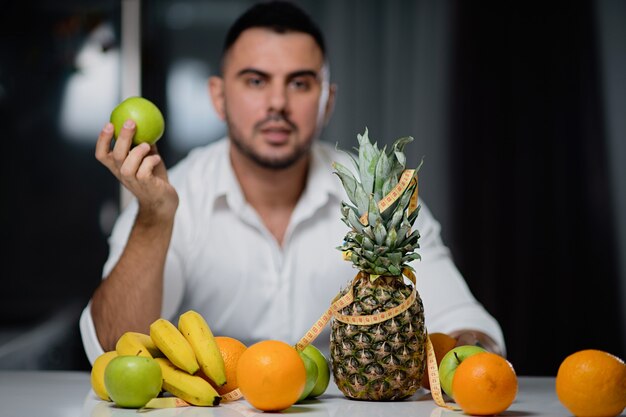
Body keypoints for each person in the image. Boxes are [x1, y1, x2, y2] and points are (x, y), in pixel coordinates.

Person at [80, 0, 505, 365]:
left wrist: (471, 355)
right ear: (218, 96)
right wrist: (154, 219)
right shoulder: (175, 193)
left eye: (300, 83)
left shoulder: (382, 196)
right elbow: (114, 350)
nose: (278, 103)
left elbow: (465, 324)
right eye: (255, 80)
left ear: (327, 100)